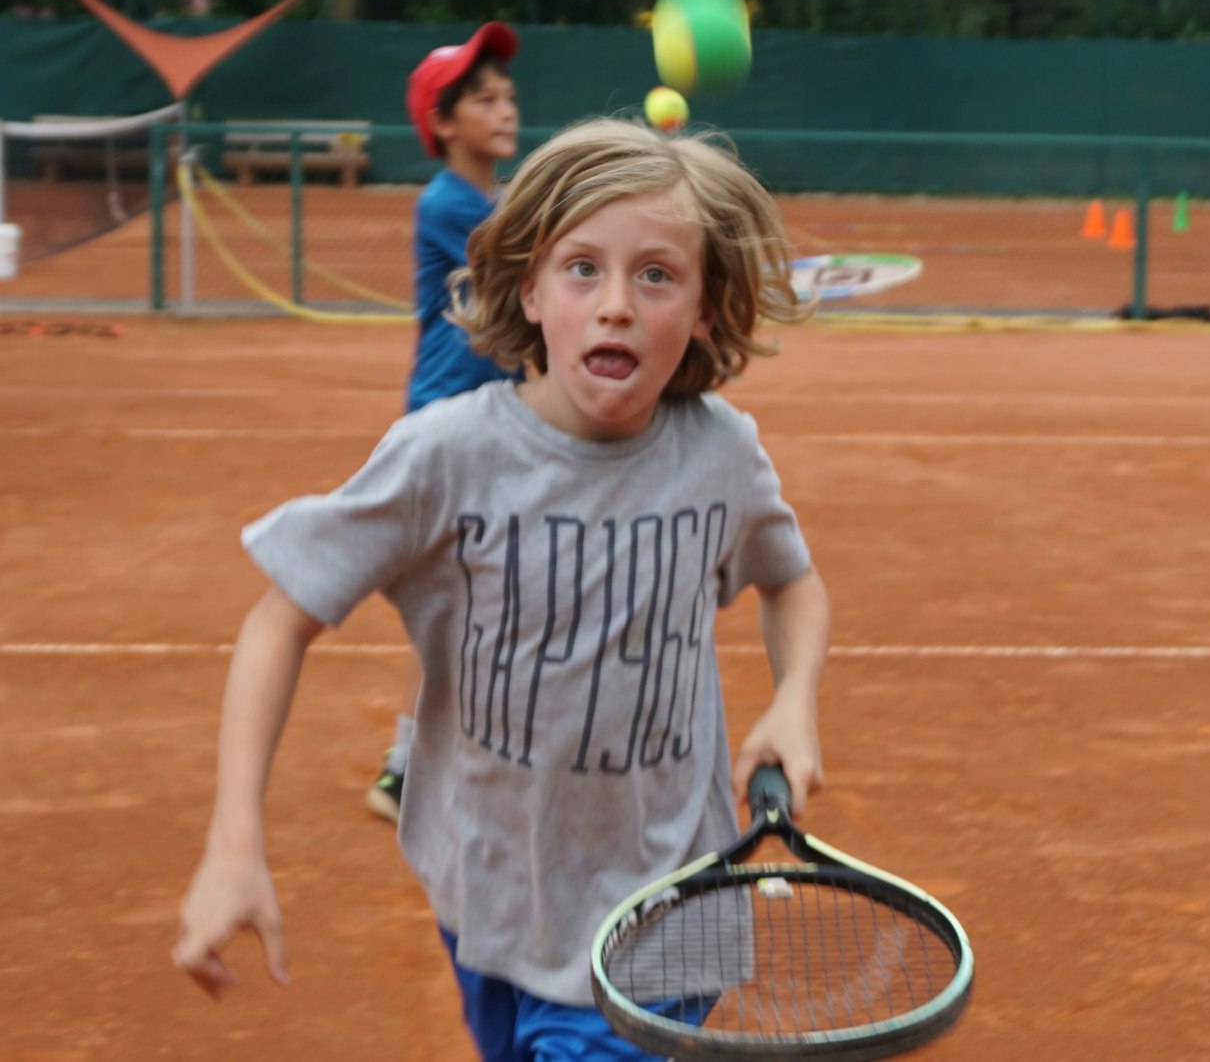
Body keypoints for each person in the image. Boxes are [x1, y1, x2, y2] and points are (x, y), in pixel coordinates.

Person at [172, 118, 830, 1060]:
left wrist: (795, 698)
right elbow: (280, 620)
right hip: (489, 890)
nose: (615, 305)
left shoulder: (719, 454)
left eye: (656, 275)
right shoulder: (447, 456)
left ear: (704, 309)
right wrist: (234, 841)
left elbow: (792, 583)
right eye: (582, 269)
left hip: (662, 905)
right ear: (526, 287)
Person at [369, 21, 525, 823]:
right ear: (442, 123)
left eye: (507, 96)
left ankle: (410, 764)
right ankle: (409, 768)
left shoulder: (493, 201)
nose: (505, 109)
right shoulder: (449, 204)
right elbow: (532, 266)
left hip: (493, 422)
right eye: (484, 100)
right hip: (450, 424)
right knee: (464, 602)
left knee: (466, 602)